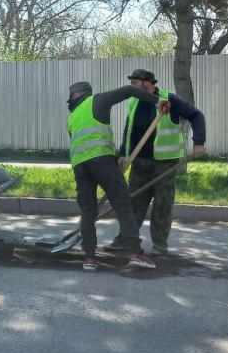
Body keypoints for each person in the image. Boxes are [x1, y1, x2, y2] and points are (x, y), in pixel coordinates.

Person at [66, 81, 171, 271]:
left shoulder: (72, 117)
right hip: (102, 162)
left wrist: (117, 157)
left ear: (74, 97)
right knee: (122, 203)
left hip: (80, 167)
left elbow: (83, 143)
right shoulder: (96, 101)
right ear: (87, 93)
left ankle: (89, 258)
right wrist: (157, 101)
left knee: (88, 211)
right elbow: (129, 90)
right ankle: (136, 253)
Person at [104, 69, 206, 255]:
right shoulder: (135, 101)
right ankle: (125, 240)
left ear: (147, 83)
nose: (132, 87)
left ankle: (160, 245)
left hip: (165, 164)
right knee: (133, 202)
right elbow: (129, 130)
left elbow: (196, 116)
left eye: (135, 83)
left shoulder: (169, 100)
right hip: (139, 161)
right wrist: (123, 154)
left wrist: (198, 142)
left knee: (162, 205)